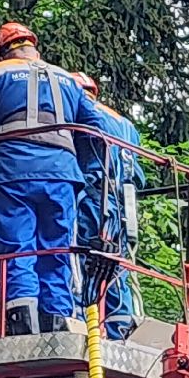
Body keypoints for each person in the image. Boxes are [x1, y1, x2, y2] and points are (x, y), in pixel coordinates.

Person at [0, 21, 101, 336]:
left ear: (2, 50)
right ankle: (58, 319)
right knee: (57, 247)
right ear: (33, 46)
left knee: (16, 247)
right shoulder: (67, 79)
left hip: (12, 173)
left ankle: (23, 321)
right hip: (61, 175)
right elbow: (93, 128)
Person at [73, 71, 146, 340]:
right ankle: (119, 326)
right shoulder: (124, 123)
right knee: (118, 263)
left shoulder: (82, 111)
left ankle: (80, 318)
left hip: (96, 195)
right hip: (125, 201)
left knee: (81, 257)